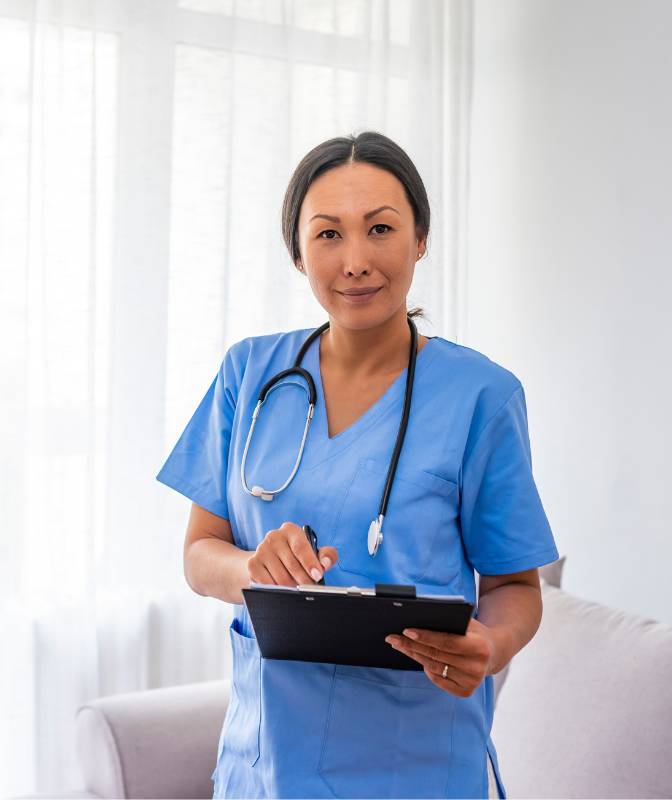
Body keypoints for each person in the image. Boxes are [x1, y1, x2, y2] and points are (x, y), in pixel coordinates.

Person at [156, 130, 559, 799]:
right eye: (328, 235)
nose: (356, 261)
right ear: (298, 252)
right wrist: (254, 568)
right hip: (263, 764)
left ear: (420, 239)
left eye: (380, 228)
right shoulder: (249, 374)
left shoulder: (481, 398)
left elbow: (516, 585)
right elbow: (202, 552)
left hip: (414, 762)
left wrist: (493, 647)